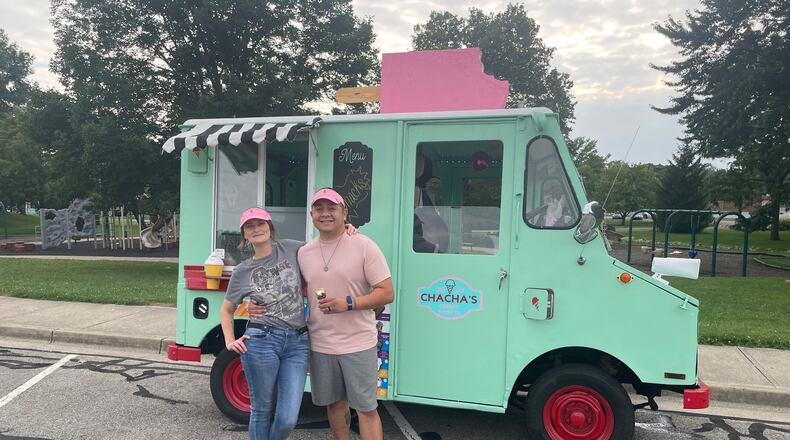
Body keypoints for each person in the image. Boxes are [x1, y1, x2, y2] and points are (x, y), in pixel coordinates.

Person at [299, 188, 394, 440]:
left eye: (332, 208)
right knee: (334, 405)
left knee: (366, 409)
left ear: (345, 213)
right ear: (311, 215)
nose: (325, 214)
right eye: (319, 209)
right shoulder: (304, 253)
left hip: (358, 343)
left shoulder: (364, 245)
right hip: (321, 343)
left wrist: (348, 303)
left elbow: (386, 293)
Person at [220, 207, 308, 440]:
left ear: (270, 227)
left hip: (298, 343)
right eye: (250, 226)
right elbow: (226, 309)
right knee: (261, 410)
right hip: (262, 341)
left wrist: (345, 230)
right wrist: (230, 341)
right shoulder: (242, 271)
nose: (256, 229)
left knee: (288, 418)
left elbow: (322, 249)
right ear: (245, 235)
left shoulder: (290, 248)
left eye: (261, 223)